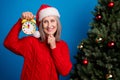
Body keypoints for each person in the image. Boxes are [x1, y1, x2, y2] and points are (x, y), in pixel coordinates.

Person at [4, 4, 72, 80]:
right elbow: (9, 43)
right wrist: (21, 22)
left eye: (52, 21)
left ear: (57, 23)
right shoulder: (31, 42)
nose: (49, 25)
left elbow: (65, 71)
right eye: (45, 22)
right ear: (41, 25)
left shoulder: (62, 45)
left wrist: (54, 48)